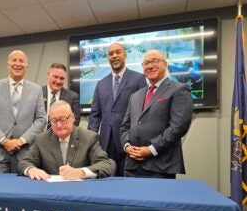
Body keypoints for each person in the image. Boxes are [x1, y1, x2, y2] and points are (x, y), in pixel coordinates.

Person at [120, 50, 193, 178]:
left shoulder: (179, 89)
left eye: (155, 61)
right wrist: (127, 146)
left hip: (160, 166)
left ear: (165, 64)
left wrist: (151, 149)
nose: (150, 66)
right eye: (146, 63)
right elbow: (124, 127)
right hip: (132, 166)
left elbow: (178, 127)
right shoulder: (135, 96)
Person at [0, 50, 46, 173]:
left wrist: (21, 141)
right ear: (8, 65)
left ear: (26, 66)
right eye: (14, 60)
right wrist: (4, 141)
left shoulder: (36, 89)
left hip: (26, 154)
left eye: (21, 61)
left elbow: (41, 119)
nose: (17, 63)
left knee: (24, 192)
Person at [88, 42, 146, 176]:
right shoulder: (101, 84)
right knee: (105, 180)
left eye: (118, 52)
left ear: (125, 55)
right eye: (110, 54)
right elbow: (95, 115)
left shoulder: (138, 79)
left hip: (129, 142)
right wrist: (90, 140)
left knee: (127, 182)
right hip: (105, 142)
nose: (114, 56)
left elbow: (143, 112)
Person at [18, 100, 113, 180]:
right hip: (51, 192)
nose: (59, 125)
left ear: (72, 117)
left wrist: (80, 172)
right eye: (54, 121)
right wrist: (31, 169)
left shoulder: (89, 138)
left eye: (63, 119)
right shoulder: (41, 140)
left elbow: (105, 165)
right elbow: (24, 162)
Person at [42, 62, 80, 127]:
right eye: (55, 77)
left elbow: (75, 121)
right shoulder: (37, 93)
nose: (58, 81)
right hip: (38, 135)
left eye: (62, 78)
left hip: (61, 135)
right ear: (48, 75)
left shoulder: (73, 97)